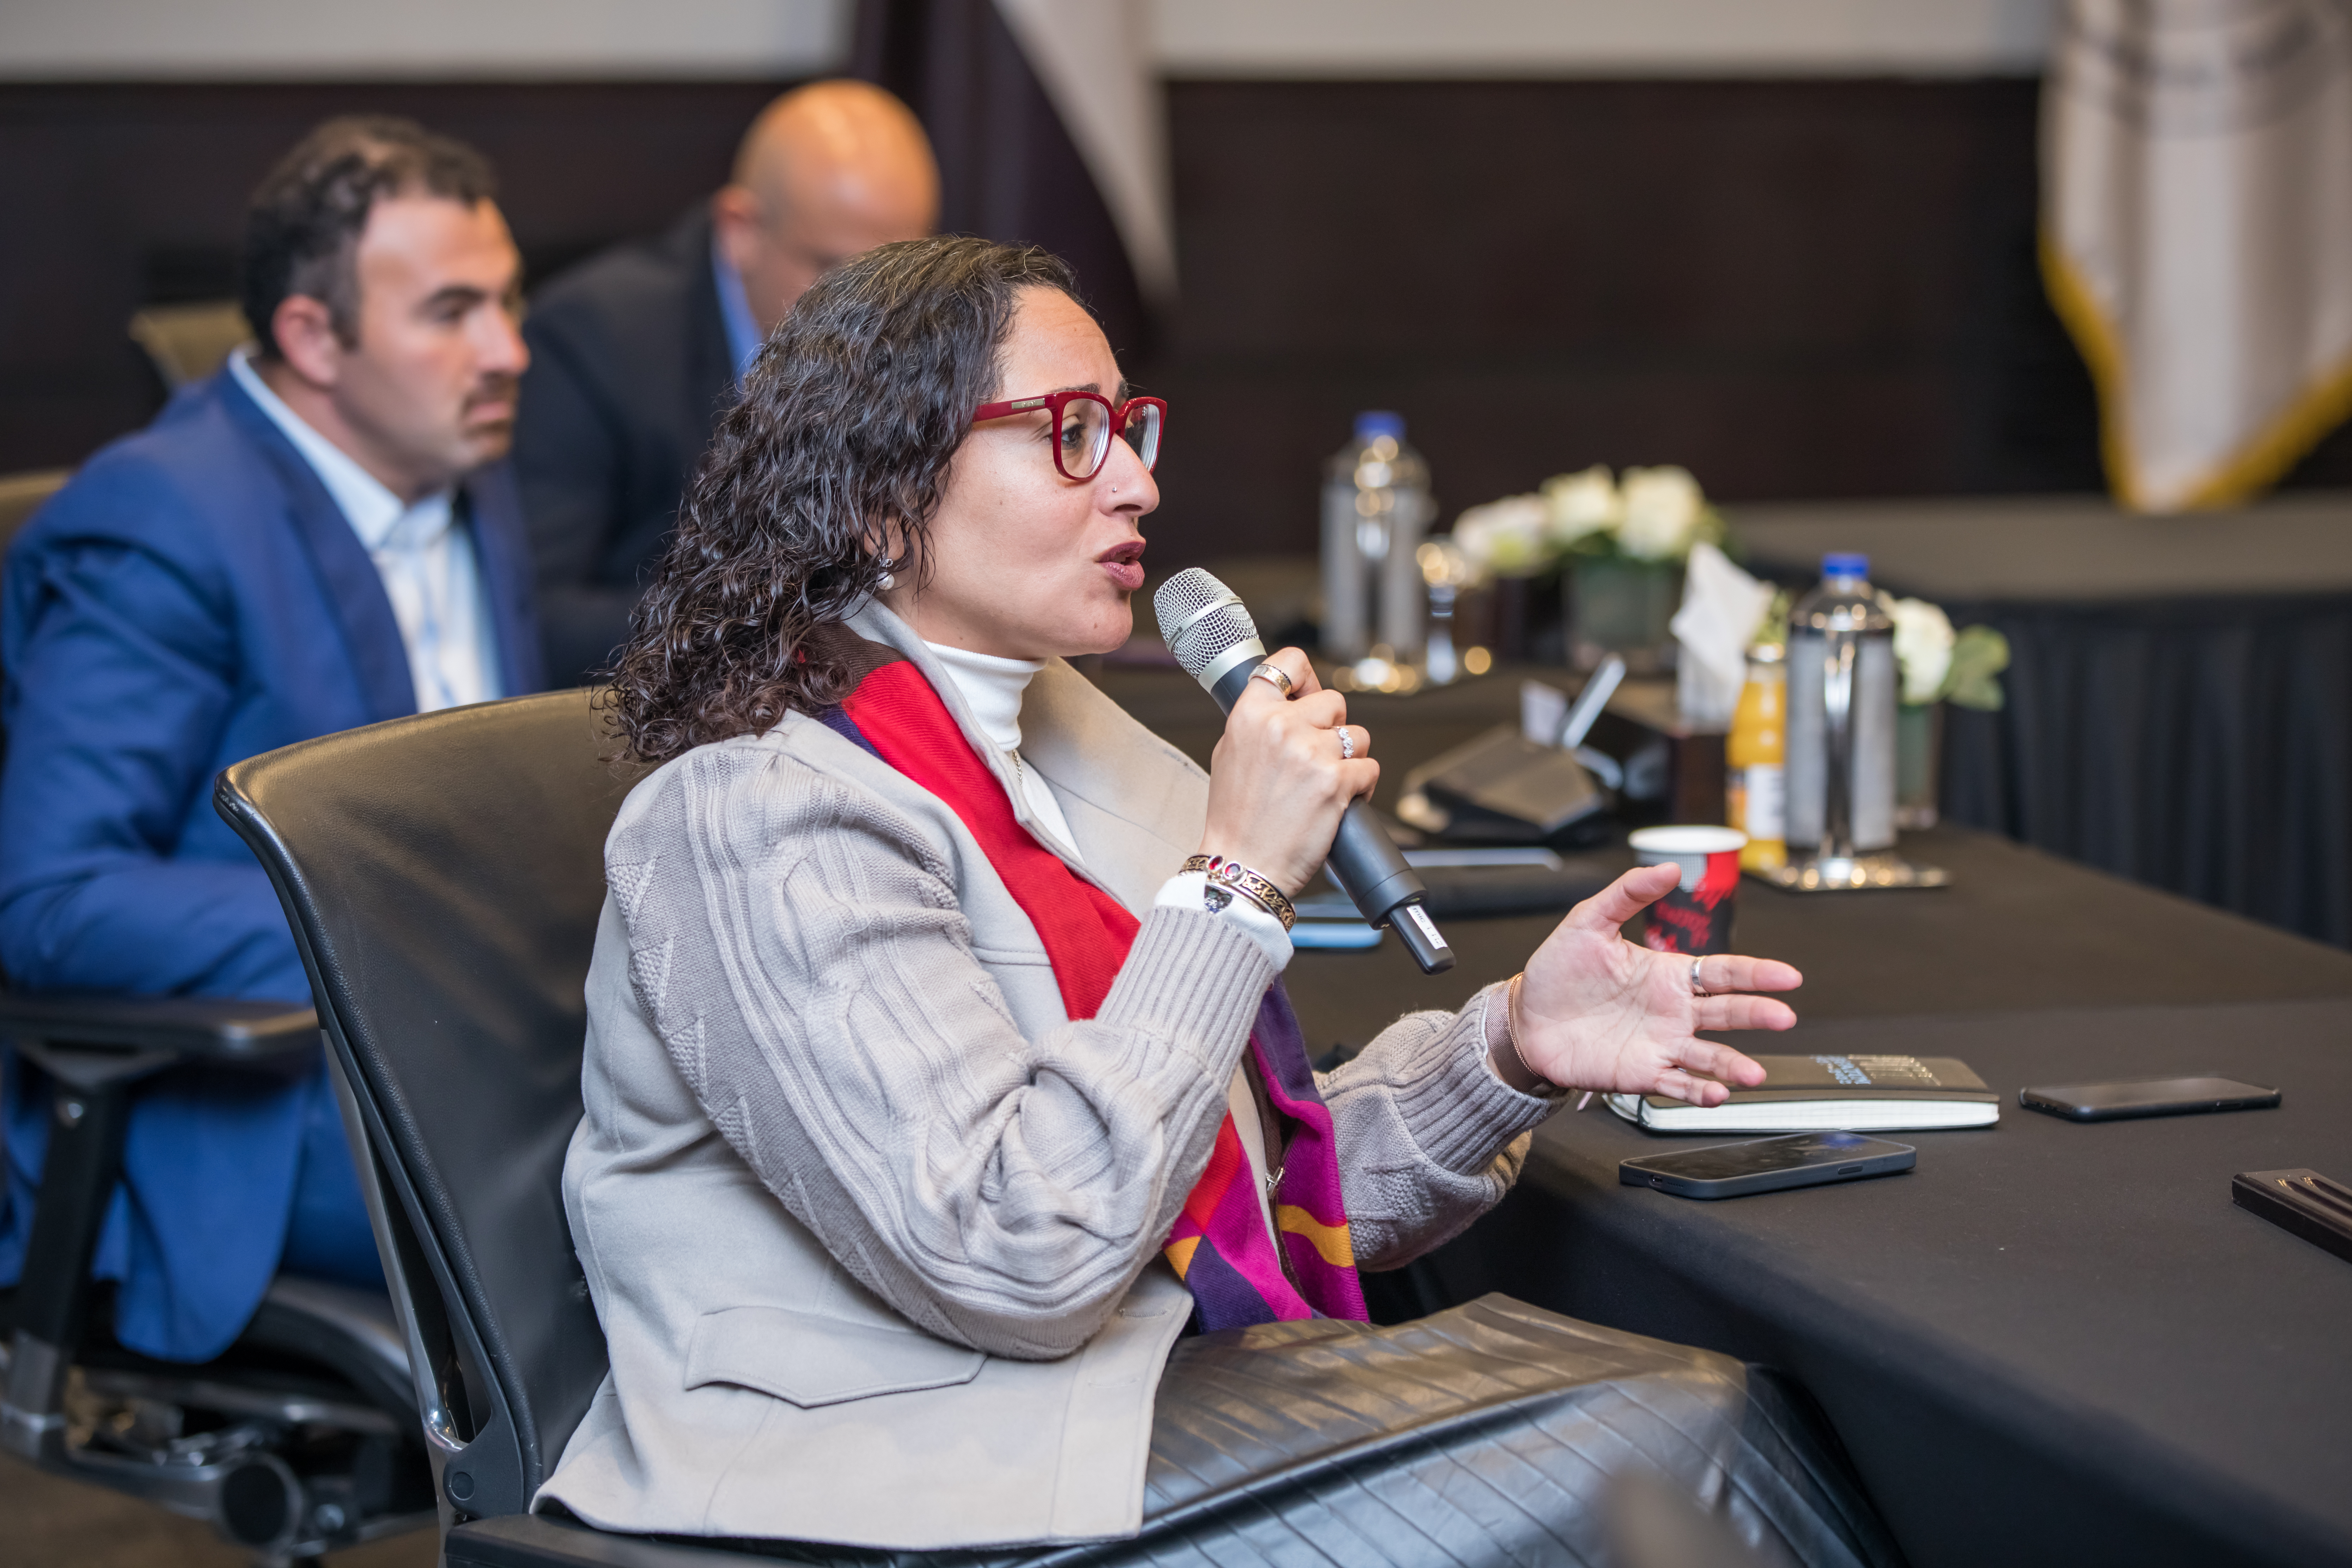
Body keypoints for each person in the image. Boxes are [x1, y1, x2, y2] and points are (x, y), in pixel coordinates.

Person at [531, 237, 1891, 1564]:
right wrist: (1233, 881)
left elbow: (1214, 1190)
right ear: (884, 499)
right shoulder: (762, 817)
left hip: (1117, 1386)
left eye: (1129, 426)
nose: (1134, 482)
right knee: (1684, 1436)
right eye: (1070, 431)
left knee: (1703, 1392)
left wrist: (1511, 1044)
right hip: (891, 1474)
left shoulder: (1077, 752)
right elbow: (1024, 1252)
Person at [0, 116, 544, 1363]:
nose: (509, 350)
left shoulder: (459, 459)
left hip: (470, 1064)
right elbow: (52, 897)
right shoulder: (161, 519)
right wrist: (407, 933)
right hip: (253, 1116)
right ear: (311, 337)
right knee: (685, 1204)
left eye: (510, 303)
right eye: (453, 310)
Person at [514, 79, 939, 686]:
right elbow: (535, 618)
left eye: (900, 277)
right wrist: (788, 621)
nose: (872, 313)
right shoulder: (597, 341)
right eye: (834, 271)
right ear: (741, 230)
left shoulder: (930, 337)